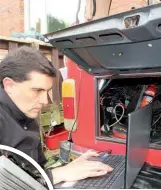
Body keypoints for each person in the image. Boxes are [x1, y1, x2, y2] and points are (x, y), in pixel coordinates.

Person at [0, 46, 113, 185]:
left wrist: (70, 168)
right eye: (37, 90)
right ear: (9, 85)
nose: (45, 101)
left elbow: (36, 170)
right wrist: (56, 175)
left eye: (46, 91)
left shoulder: (26, 117)